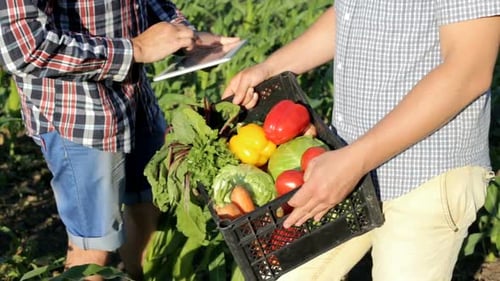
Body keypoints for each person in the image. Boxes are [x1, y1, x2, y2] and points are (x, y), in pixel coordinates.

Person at [223, 2, 500, 281]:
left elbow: (469, 70)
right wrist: (272, 67)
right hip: (346, 160)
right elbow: (351, 14)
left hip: (424, 173)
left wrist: (355, 160)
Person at [0, 1, 240, 280]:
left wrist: (183, 35)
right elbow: (22, 48)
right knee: (93, 246)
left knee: (151, 204)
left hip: (134, 97)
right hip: (78, 114)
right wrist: (135, 49)